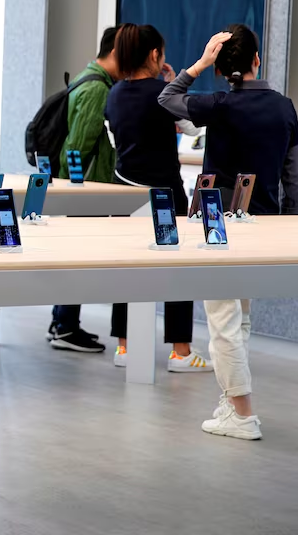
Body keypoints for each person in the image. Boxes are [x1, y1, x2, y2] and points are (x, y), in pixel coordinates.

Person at [159, 25, 298, 439]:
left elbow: (166, 98)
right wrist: (288, 224)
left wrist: (199, 63)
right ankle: (231, 399)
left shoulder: (218, 104)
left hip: (216, 220)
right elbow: (294, 178)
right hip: (263, 223)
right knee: (238, 317)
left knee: (222, 320)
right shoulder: (284, 107)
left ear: (222, 70)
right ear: (257, 60)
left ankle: (242, 413)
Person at [104, 24, 212, 373]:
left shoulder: (114, 94)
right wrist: (172, 85)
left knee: (126, 268)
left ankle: (124, 346)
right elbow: (195, 129)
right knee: (176, 270)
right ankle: (180, 352)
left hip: (123, 193)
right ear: (155, 55)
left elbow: (114, 141)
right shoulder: (163, 93)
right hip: (165, 196)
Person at [47, 27, 121, 353]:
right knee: (77, 256)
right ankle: (64, 327)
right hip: (85, 188)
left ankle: (63, 323)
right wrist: (75, 187)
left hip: (80, 186)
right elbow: (76, 146)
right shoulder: (96, 90)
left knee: (73, 254)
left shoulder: (89, 79)